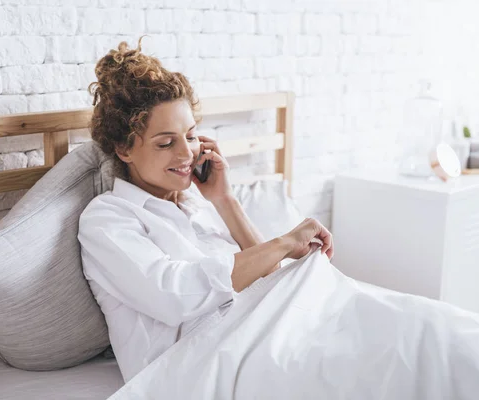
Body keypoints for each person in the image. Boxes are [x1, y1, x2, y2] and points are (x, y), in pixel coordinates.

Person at [77, 38, 332, 383]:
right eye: (166, 143)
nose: (187, 154)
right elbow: (173, 295)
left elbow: (268, 277)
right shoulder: (108, 218)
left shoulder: (199, 202)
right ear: (124, 148)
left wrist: (225, 201)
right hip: (198, 366)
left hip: (262, 331)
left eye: (192, 136)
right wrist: (285, 243)